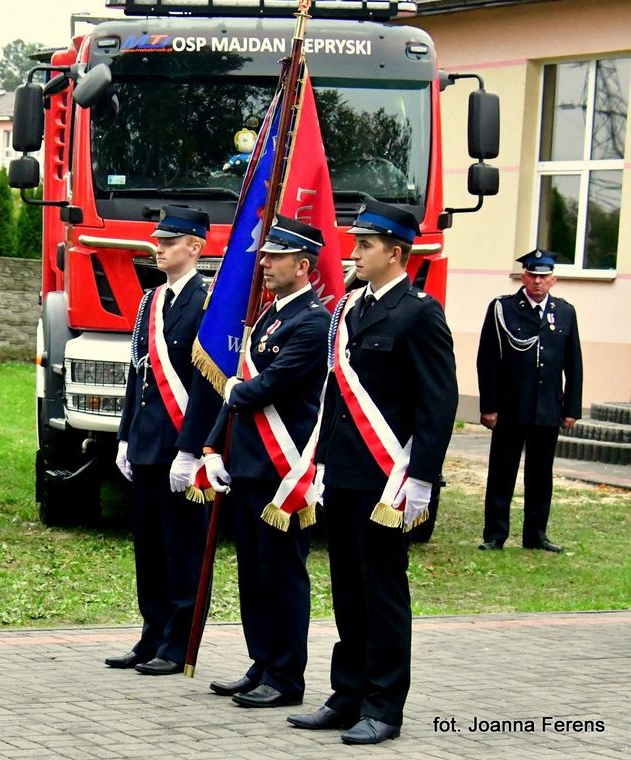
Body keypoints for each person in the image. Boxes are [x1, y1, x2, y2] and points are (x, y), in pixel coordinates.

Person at [288, 198, 457, 745]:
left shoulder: (420, 313)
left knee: (383, 594)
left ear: (396, 252)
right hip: (345, 474)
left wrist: (423, 480)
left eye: (365, 244)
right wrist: (319, 465)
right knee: (347, 591)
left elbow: (437, 403)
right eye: (355, 242)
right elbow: (334, 399)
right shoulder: (349, 310)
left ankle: (384, 706)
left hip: (389, 480)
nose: (353, 252)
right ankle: (348, 693)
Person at [200, 216, 330, 708]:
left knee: (283, 576)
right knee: (254, 575)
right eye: (265, 255)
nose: (265, 264)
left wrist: (235, 389)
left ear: (302, 264)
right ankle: (261, 662)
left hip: (284, 473)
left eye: (275, 257)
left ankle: (286, 677)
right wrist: (214, 447)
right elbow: (239, 397)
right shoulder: (272, 316)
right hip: (251, 467)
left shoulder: (314, 321)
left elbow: (266, 388)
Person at [104, 206, 222, 676]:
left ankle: (179, 642)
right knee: (149, 548)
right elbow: (137, 375)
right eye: (158, 240)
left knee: (184, 549)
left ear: (195, 247)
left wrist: (192, 448)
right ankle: (152, 634)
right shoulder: (150, 302)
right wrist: (124, 436)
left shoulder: (210, 302)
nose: (159, 247)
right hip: (148, 442)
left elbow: (208, 384)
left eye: (170, 241)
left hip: (181, 448)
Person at [476, 250, 582, 553]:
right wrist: (489, 406)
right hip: (511, 406)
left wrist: (571, 409)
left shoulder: (564, 312)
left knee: (540, 475)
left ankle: (536, 535)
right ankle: (495, 535)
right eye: (532, 275)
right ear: (524, 277)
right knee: (502, 472)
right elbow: (488, 361)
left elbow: (573, 363)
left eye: (544, 276)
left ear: (553, 279)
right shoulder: (503, 308)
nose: (538, 281)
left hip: (547, 407)